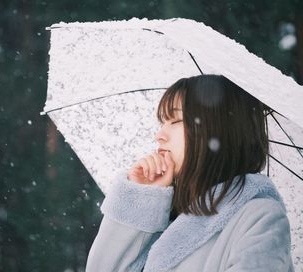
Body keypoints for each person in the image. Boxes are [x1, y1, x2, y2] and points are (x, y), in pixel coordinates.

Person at [85, 75, 294, 272]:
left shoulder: (260, 218)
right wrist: (143, 197)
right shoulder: (162, 213)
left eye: (175, 121)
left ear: (216, 129)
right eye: (161, 122)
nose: (159, 135)